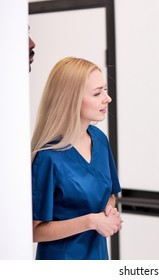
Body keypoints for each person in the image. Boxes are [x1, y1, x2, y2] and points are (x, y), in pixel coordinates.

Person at [31, 57, 122, 260]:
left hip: (98, 256)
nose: (107, 98)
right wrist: (90, 222)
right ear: (71, 100)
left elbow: (109, 194)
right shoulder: (48, 157)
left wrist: (109, 212)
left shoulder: (99, 139)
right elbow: (34, 231)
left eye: (105, 90)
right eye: (98, 93)